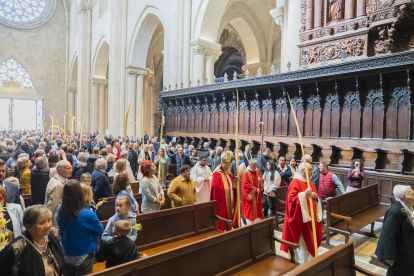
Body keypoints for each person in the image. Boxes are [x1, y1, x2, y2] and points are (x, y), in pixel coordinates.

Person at [0, 205, 64, 276]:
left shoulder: (53, 234)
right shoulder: (17, 247)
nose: (47, 225)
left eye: (49, 220)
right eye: (42, 223)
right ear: (28, 226)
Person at [56, 180, 103, 275]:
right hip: (84, 253)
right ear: (80, 194)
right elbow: (100, 230)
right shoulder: (87, 214)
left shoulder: (60, 209)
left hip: (66, 251)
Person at [281, 162, 323, 265]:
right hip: (301, 221)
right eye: (310, 169)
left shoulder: (309, 183)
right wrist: (304, 194)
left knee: (310, 245)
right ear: (303, 170)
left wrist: (315, 197)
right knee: (303, 246)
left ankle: (309, 265)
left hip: (310, 220)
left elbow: (315, 196)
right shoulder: (295, 182)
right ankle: (302, 266)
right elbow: (291, 202)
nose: (312, 172)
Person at [375, 185, 414, 276]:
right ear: (402, 198)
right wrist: (390, 256)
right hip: (399, 253)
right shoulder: (394, 212)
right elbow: (387, 235)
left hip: (407, 248)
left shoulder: (409, 207)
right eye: (412, 195)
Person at [210, 151, 240, 231]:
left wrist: (235, 178)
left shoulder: (228, 171)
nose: (227, 166)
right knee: (223, 212)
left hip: (230, 197)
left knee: (230, 211)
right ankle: (222, 227)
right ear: (221, 164)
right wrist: (224, 190)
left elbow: (229, 179)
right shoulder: (217, 174)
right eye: (226, 165)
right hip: (222, 199)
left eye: (229, 164)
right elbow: (214, 188)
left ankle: (229, 225)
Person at [45, 160, 73, 227]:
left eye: (71, 168)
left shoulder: (55, 179)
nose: (71, 170)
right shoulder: (58, 185)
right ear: (59, 170)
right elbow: (52, 204)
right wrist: (46, 218)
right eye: (68, 168)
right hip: (56, 218)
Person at [241, 159, 264, 225]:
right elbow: (245, 185)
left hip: (257, 195)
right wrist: (255, 189)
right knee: (250, 211)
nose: (255, 167)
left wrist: (261, 180)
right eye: (253, 166)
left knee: (257, 211)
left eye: (256, 166)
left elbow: (261, 179)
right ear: (249, 165)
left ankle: (257, 223)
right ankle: (250, 224)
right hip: (250, 196)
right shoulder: (245, 173)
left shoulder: (257, 170)